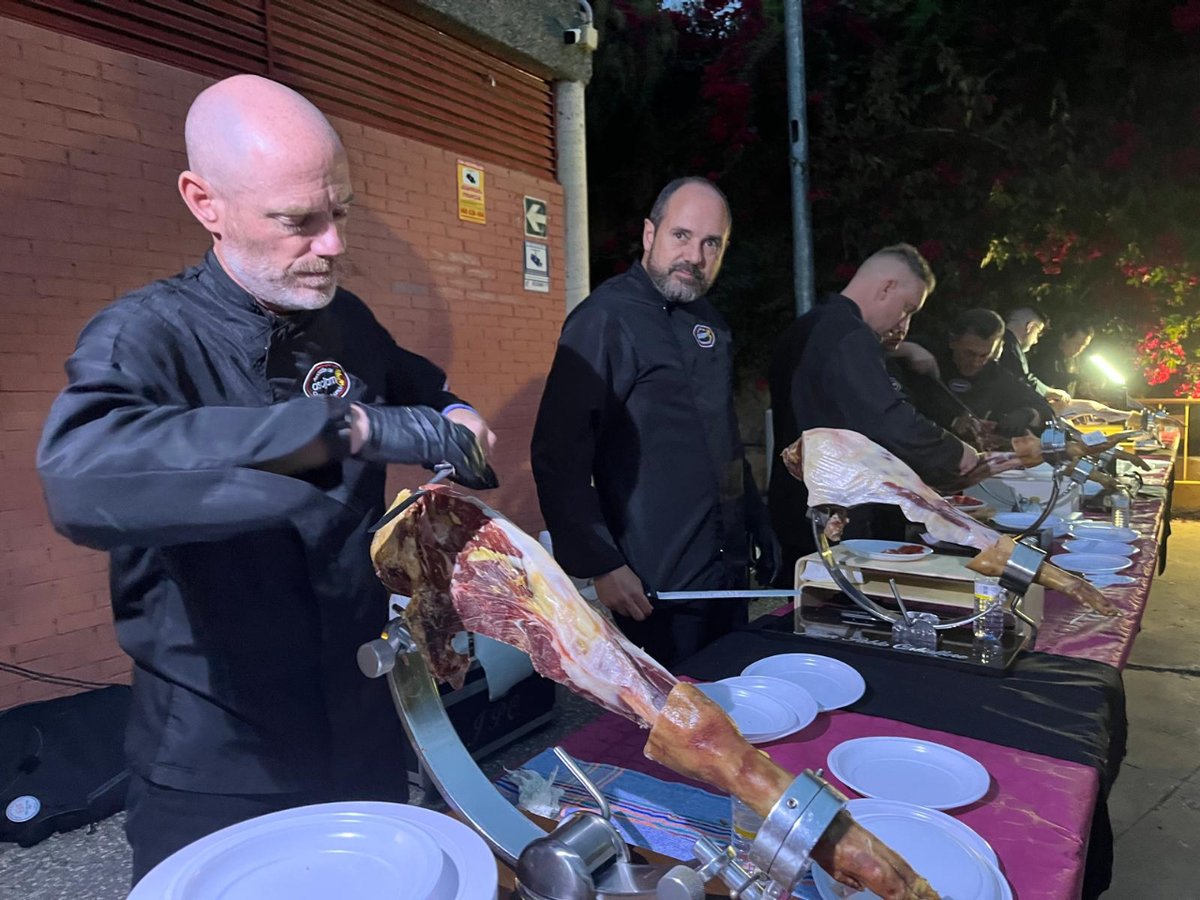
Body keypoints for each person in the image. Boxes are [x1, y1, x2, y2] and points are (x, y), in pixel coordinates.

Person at [36, 75, 499, 884]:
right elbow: (79, 473)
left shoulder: (345, 320)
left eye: (339, 213)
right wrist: (347, 432)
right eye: (298, 222)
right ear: (203, 201)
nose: (330, 244)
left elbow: (422, 390)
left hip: (360, 727)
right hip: (219, 761)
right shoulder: (145, 335)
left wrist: (455, 416)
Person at [531, 177, 776, 668]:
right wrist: (602, 563)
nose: (695, 256)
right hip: (654, 580)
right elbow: (558, 452)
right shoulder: (605, 318)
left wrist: (756, 520)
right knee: (670, 726)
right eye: (681, 236)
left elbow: (721, 437)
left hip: (723, 570)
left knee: (734, 702)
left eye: (712, 244)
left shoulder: (712, 323)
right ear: (649, 235)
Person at [767, 245, 1017, 581]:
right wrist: (956, 452)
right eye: (907, 308)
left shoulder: (807, 326)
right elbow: (885, 418)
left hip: (796, 499)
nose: (904, 322)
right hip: (836, 510)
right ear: (887, 287)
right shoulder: (849, 334)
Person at [910, 308, 1056, 438]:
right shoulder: (927, 355)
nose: (975, 362)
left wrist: (1028, 414)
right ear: (953, 341)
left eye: (984, 355)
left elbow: (1047, 414)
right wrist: (906, 349)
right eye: (969, 353)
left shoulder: (996, 375)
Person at [999, 306, 1071, 403]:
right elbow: (1023, 380)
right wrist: (1050, 392)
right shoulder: (1011, 347)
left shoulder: (996, 340)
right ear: (1030, 327)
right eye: (1038, 333)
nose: (1036, 341)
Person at [1030, 319, 1095, 396]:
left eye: (1084, 345)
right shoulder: (1045, 355)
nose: (1079, 349)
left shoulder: (1076, 360)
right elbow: (1050, 377)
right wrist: (1079, 377)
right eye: (1076, 343)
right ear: (1065, 337)